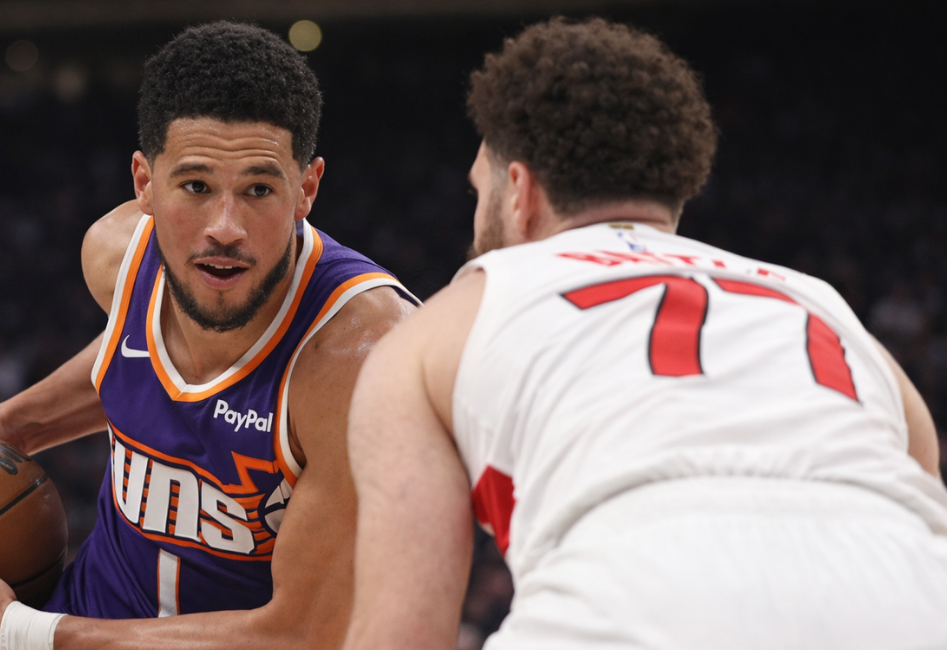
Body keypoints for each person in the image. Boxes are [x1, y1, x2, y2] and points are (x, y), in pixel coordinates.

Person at [344, 17, 947, 650]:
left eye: (478, 189)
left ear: (518, 191)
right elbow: (916, 482)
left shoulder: (442, 323)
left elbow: (401, 634)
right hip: (913, 596)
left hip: (637, 600)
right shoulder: (821, 303)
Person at [0, 21, 416, 650]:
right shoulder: (117, 257)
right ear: (143, 183)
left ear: (307, 189)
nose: (224, 227)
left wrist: (15, 630)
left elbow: (302, 631)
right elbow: (136, 345)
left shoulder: (358, 360)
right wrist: (12, 425)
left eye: (259, 188)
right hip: (87, 616)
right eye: (195, 187)